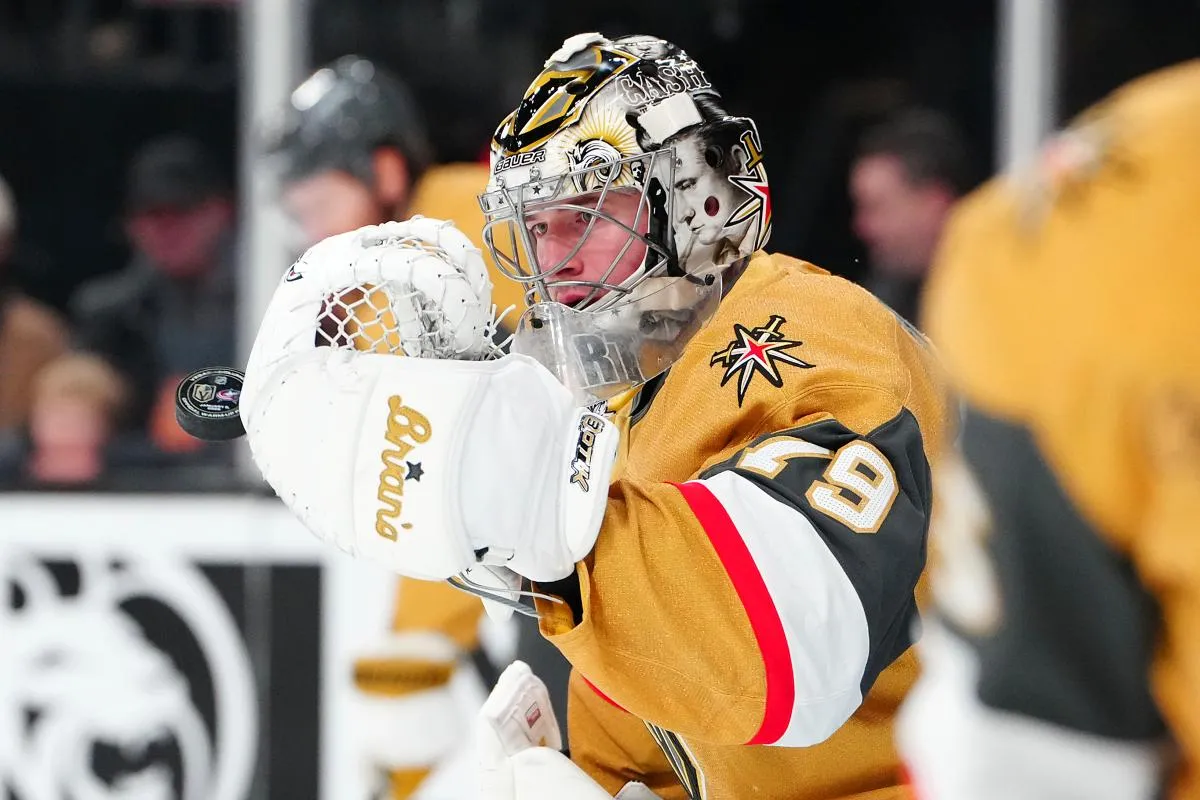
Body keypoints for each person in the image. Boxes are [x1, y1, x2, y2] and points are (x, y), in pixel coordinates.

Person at [238, 32, 950, 800]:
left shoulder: (815, 330)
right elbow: (666, 711)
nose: (557, 256)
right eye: (536, 225)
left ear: (694, 193)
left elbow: (790, 654)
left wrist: (515, 492)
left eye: (587, 209)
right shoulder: (621, 392)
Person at [897, 61, 1200, 799]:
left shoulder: (1072, 248)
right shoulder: (1092, 242)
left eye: (876, 203)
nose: (865, 224)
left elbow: (1012, 764)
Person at [259, 55, 552, 800]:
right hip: (517, 526)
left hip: (558, 513)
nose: (307, 227)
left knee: (420, 696)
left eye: (317, 199)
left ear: (384, 168)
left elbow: (466, 437)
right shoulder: (369, 268)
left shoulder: (456, 218)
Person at [24, 136, 237, 486]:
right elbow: (86, 384)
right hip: (138, 483)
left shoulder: (273, 301)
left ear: (221, 211)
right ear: (131, 225)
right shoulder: (110, 312)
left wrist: (206, 409)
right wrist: (75, 412)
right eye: (152, 215)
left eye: (181, 212)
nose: (166, 230)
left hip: (246, 475)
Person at [849, 109, 971, 326]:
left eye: (877, 207)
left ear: (936, 204)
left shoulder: (998, 295)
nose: (862, 227)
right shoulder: (883, 301)